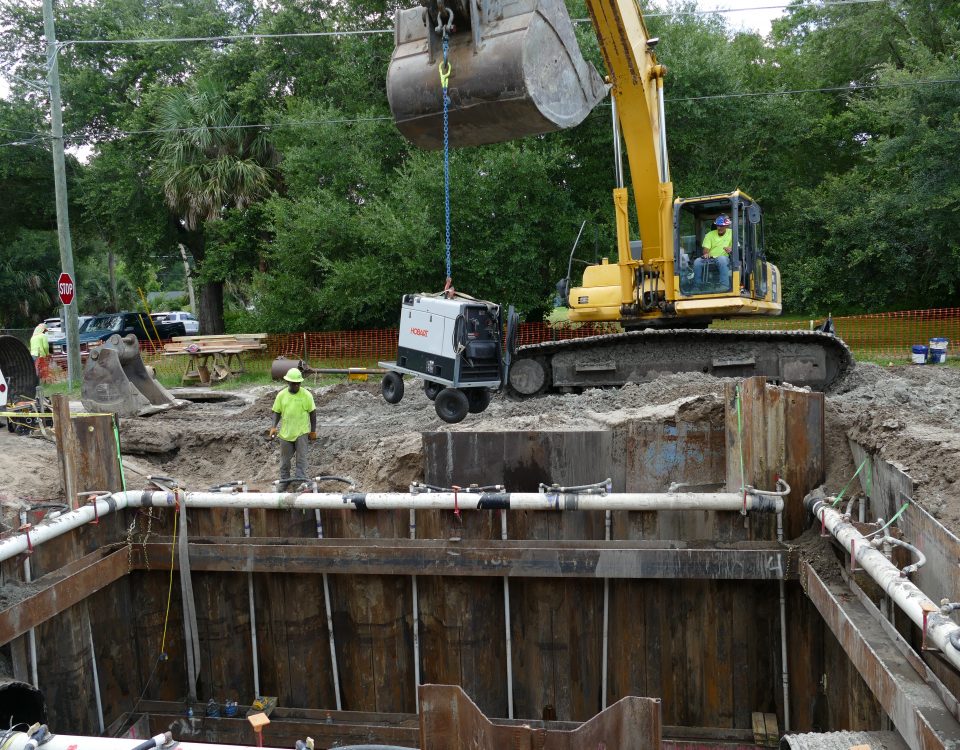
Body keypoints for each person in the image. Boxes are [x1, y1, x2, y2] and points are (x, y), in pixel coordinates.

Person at [269, 367, 317, 489]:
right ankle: (284, 481)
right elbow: (277, 412)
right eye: (293, 383)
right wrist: (273, 427)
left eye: (298, 383)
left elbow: (312, 413)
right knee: (285, 461)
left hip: (301, 433)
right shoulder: (281, 395)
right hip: (285, 434)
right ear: (288, 382)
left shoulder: (306, 395)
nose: (296, 385)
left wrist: (313, 431)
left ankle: (299, 482)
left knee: (301, 460)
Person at [694, 214, 733, 287]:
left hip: (725, 258)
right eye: (718, 225)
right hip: (711, 259)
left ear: (726, 226)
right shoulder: (709, 234)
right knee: (697, 262)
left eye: (721, 226)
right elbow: (706, 250)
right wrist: (706, 254)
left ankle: (724, 286)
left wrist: (730, 250)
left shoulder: (732, 233)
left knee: (721, 259)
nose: (719, 228)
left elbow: (734, 248)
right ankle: (697, 286)